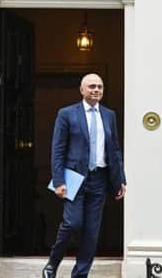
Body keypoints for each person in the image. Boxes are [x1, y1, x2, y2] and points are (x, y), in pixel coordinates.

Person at [42, 73, 126, 278]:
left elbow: (114, 150)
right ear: (82, 90)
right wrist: (59, 181)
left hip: (100, 179)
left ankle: (80, 274)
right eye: (91, 86)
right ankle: (53, 263)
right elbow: (58, 149)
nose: (96, 90)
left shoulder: (109, 115)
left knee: (91, 232)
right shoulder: (67, 114)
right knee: (72, 223)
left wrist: (120, 179)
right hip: (74, 179)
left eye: (100, 86)